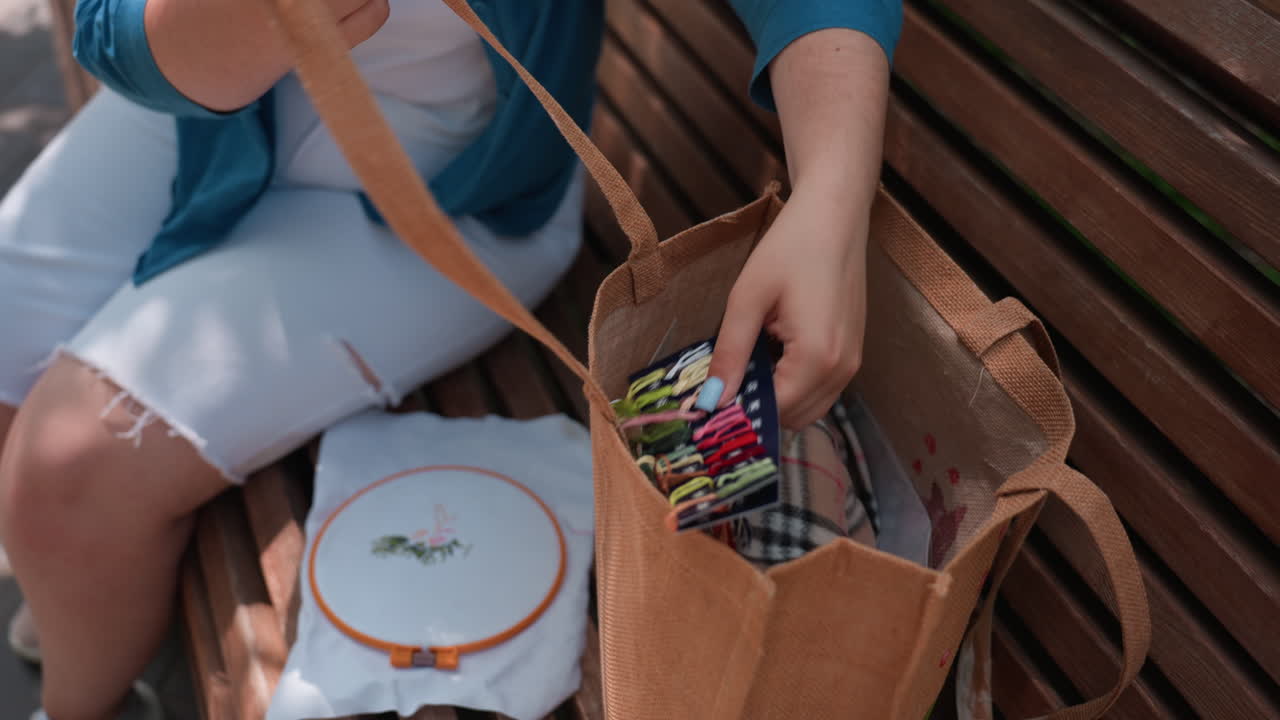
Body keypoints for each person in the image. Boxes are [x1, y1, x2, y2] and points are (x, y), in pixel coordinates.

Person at [0, 0, 901, 718]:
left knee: (68, 475)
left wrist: (829, 198)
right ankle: (81, 598)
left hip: (456, 185)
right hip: (211, 110)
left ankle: (86, 693)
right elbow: (113, 34)